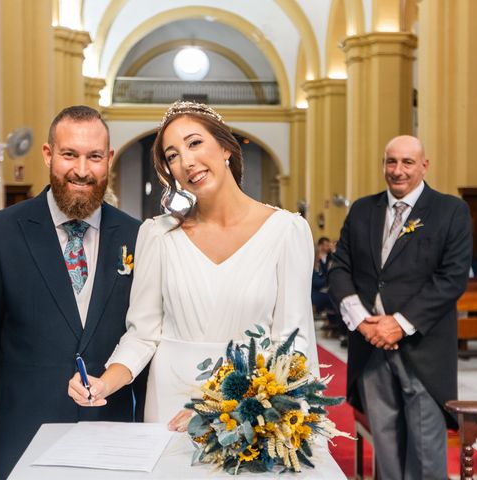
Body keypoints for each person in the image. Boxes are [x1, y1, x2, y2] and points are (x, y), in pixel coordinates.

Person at [67, 101, 319, 429]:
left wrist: (228, 408)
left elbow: (292, 345)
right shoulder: (158, 235)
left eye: (195, 143)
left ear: (226, 147)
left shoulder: (287, 231)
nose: (186, 161)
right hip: (169, 406)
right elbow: (143, 335)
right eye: (172, 155)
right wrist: (104, 382)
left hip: (249, 414)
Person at [0, 106, 144, 480]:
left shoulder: (136, 235)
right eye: (69, 154)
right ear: (48, 154)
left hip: (112, 434)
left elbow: (145, 337)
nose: (82, 171)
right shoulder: (0, 232)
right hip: (22, 434)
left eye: (94, 157)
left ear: (109, 159)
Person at [329, 135, 473, 479]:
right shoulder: (364, 209)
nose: (398, 170)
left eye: (407, 162)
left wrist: (400, 323)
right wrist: (363, 322)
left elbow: (452, 279)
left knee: (426, 451)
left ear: (424, 165)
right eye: (390, 162)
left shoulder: (450, 210)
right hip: (371, 348)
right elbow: (339, 269)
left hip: (423, 349)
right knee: (387, 448)